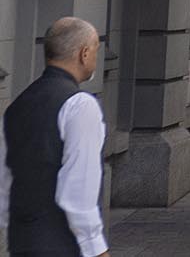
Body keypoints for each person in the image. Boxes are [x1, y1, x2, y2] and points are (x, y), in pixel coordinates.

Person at [1, 17, 109, 257]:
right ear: (84, 53)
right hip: (63, 245)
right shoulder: (81, 106)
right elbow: (78, 191)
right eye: (95, 51)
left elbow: (5, 182)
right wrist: (98, 250)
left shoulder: (17, 106)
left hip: (22, 243)